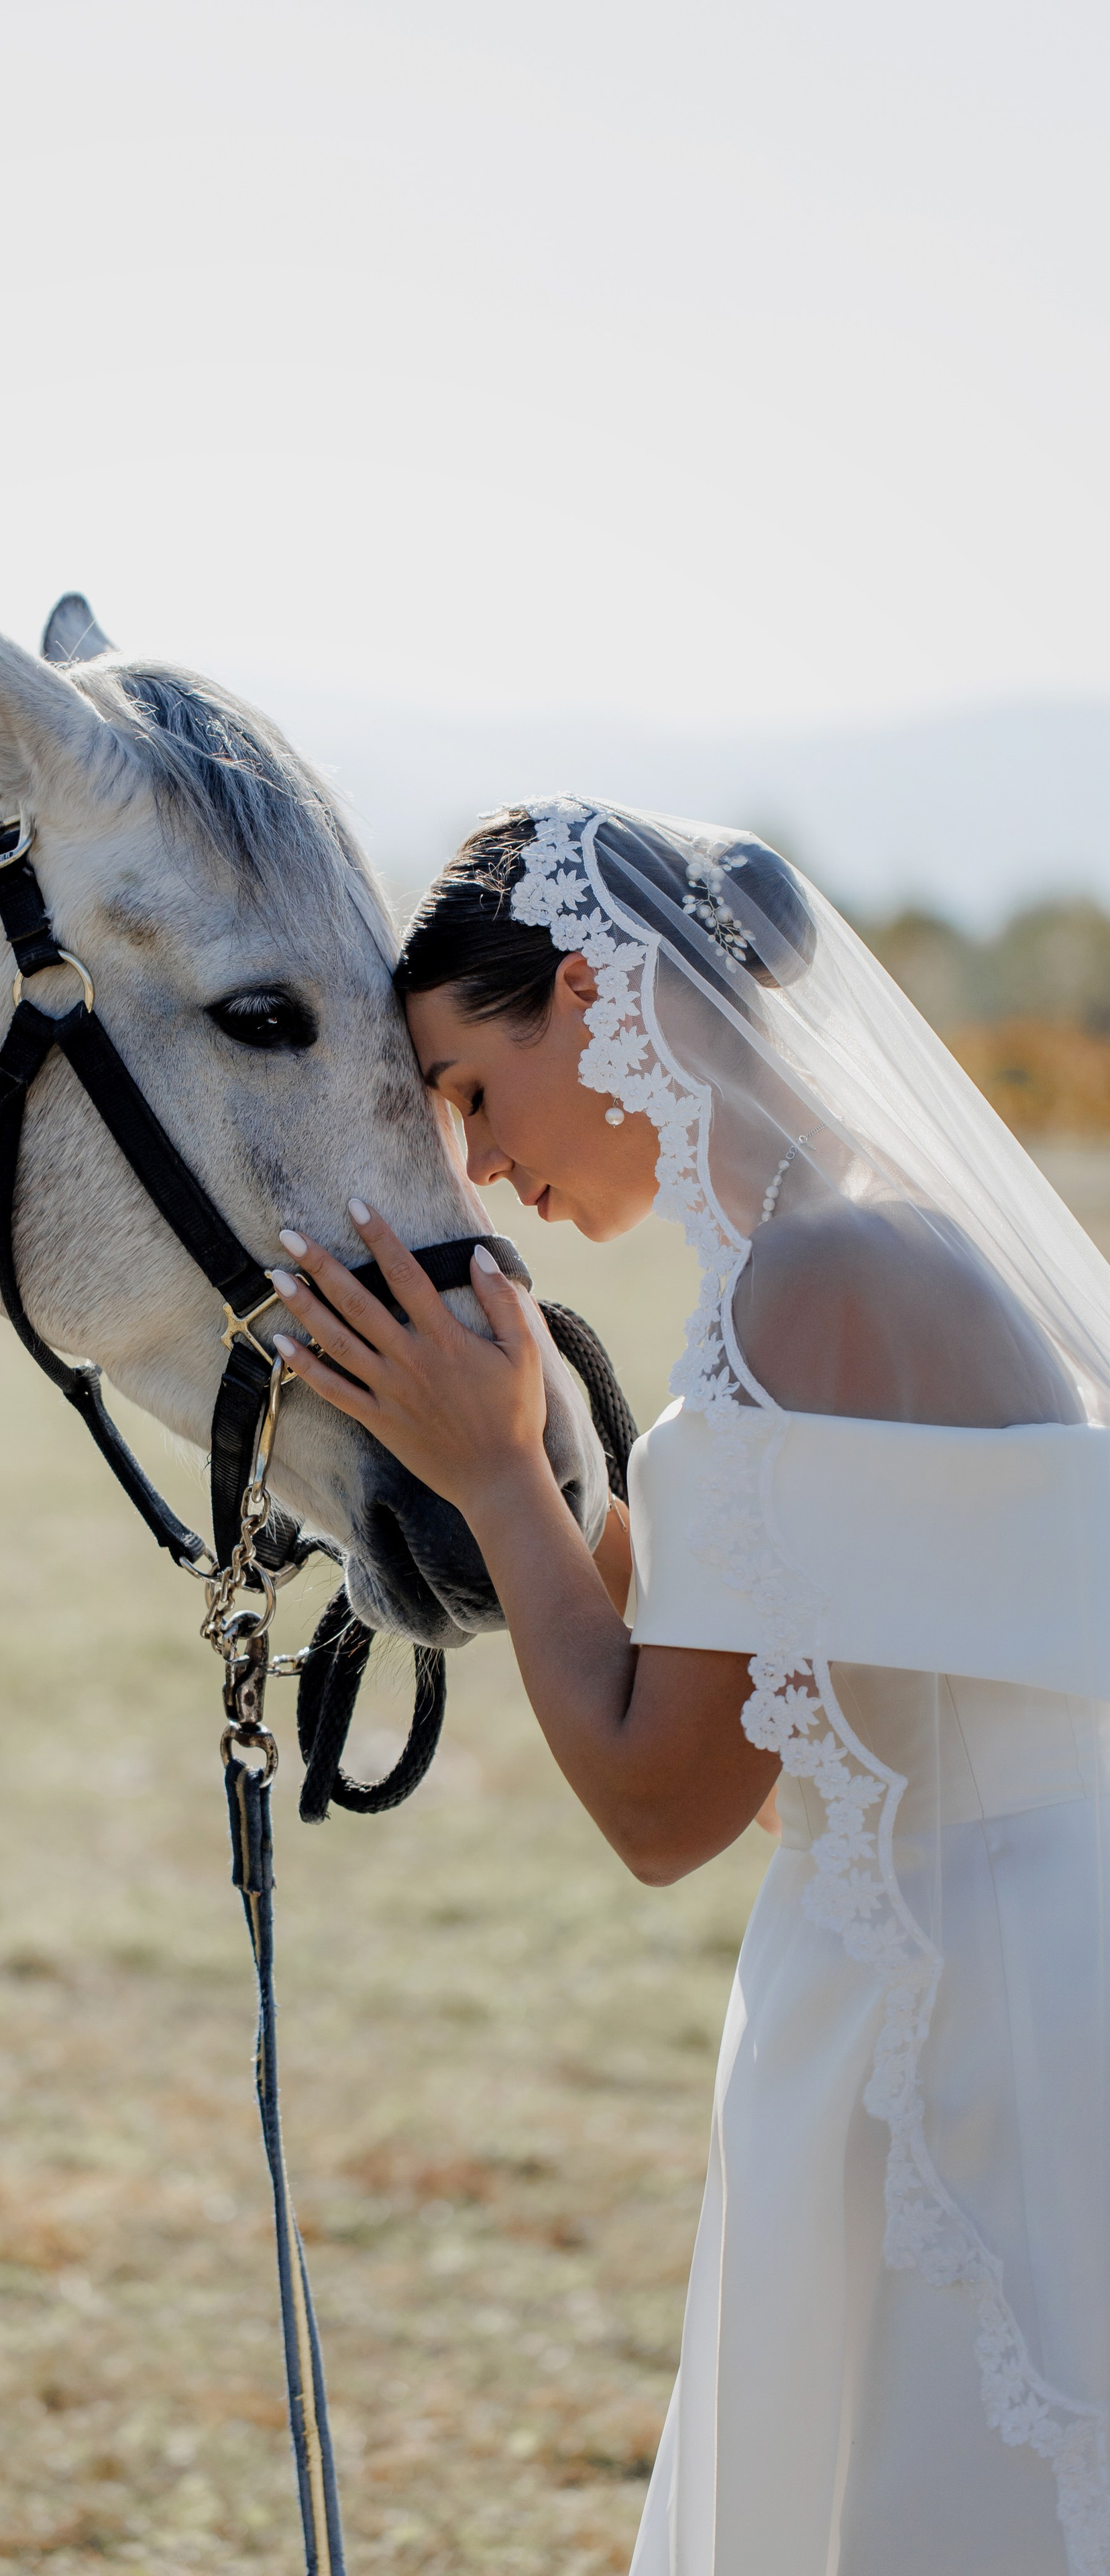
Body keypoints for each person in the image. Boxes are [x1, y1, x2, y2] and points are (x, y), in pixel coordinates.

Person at [267, 798, 1110, 2576]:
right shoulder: (835, 1253)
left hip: (979, 2018)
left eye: (472, 1092)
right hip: (990, 1960)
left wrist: (500, 1478)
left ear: (585, 994)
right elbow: (686, 1636)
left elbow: (662, 1801)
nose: (480, 1168)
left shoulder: (813, 1285)